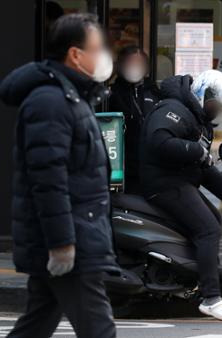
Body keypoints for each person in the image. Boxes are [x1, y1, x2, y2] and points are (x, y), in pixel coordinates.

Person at [0, 13, 118, 337]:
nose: (104, 56)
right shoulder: (51, 102)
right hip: (71, 239)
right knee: (99, 329)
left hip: (73, 232)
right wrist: (62, 243)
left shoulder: (71, 97)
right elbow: (48, 180)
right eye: (97, 48)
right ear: (75, 54)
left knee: (37, 323)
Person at [139, 69, 222, 321]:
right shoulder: (173, 110)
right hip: (163, 183)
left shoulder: (195, 117)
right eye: (215, 105)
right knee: (208, 229)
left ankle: (202, 288)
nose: (217, 111)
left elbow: (202, 167)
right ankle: (211, 298)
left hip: (178, 181)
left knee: (213, 224)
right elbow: (159, 141)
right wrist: (195, 150)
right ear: (202, 95)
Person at [108, 45, 159, 193]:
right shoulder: (112, 93)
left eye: (138, 64)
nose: (134, 68)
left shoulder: (154, 92)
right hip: (122, 162)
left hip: (149, 164)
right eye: (130, 64)